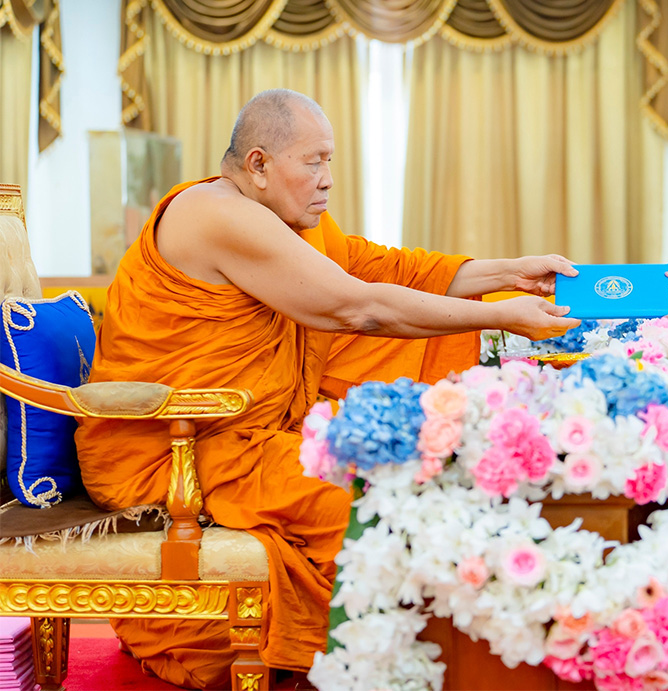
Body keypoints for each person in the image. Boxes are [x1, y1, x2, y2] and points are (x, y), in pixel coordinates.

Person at [74, 88, 580, 689]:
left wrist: (510, 273)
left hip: (249, 435)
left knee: (404, 468)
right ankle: (403, 660)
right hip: (182, 447)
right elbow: (355, 307)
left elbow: (389, 271)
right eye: (314, 162)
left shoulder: (284, 221)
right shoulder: (214, 215)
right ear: (259, 164)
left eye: (331, 160)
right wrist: (500, 315)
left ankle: (449, 657)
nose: (328, 179)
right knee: (371, 503)